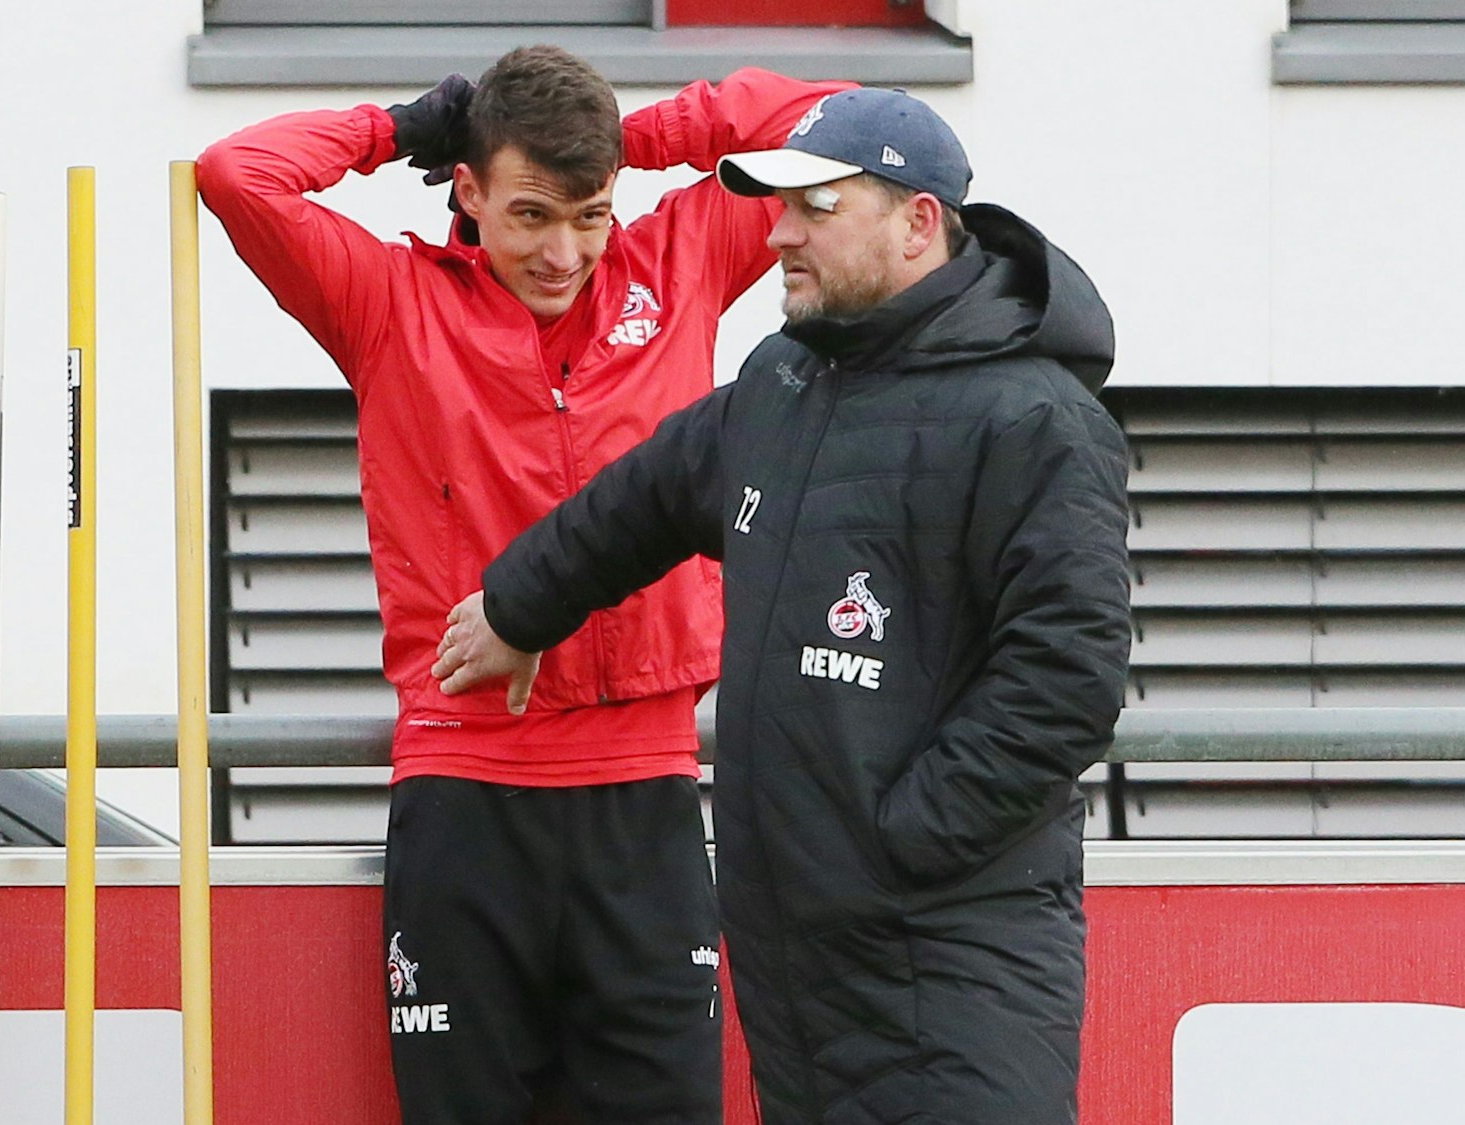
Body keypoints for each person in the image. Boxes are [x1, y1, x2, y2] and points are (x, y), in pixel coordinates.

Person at [433, 87, 1133, 1124]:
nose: (779, 236)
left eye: (816, 208)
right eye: (780, 207)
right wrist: (516, 607)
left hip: (953, 956)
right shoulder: (786, 379)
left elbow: (1064, 680)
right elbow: (644, 498)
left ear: (917, 223)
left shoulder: (1035, 419)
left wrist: (892, 846)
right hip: (799, 967)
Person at [196, 48, 847, 1123]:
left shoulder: (674, 264)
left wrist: (637, 141)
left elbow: (835, 120)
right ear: (468, 189)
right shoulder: (388, 300)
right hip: (464, 794)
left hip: (644, 797)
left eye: (589, 216)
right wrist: (396, 129)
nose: (562, 253)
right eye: (531, 214)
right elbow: (235, 172)